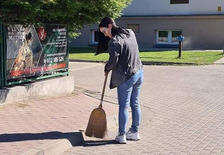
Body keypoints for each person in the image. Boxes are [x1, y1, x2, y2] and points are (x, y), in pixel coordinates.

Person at [98, 17, 144, 144]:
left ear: (110, 26)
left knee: (124, 106)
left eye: (104, 31)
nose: (104, 34)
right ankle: (135, 132)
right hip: (139, 72)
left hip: (126, 76)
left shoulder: (114, 42)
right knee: (135, 103)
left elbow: (113, 62)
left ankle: (122, 135)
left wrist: (106, 68)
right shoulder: (130, 32)